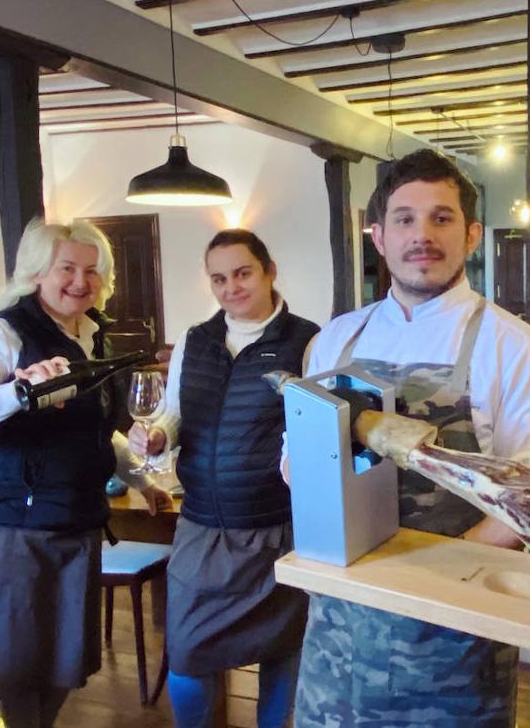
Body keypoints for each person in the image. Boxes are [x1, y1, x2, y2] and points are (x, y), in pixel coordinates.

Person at [291, 149, 530, 727]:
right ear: (378, 236)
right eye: (403, 219)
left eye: (441, 218)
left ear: (472, 234)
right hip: (340, 622)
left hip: (453, 624)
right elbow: (295, 462)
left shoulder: (514, 347)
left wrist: (441, 574)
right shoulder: (335, 341)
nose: (421, 235)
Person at [0, 219, 165, 728]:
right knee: (13, 662)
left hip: (73, 520)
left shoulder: (88, 332)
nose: (81, 281)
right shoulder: (0, 334)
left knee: (62, 659)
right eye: (67, 268)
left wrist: (141, 480)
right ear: (37, 272)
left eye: (92, 271)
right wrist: (20, 392)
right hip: (3, 525)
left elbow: (97, 430)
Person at [128, 229, 319, 728]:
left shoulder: (308, 340)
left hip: (276, 530)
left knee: (286, 653)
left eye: (242, 273)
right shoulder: (196, 339)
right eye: (219, 278)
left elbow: (313, 430)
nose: (231, 288)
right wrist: (157, 436)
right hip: (201, 528)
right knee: (188, 655)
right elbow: (173, 412)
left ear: (268, 271)